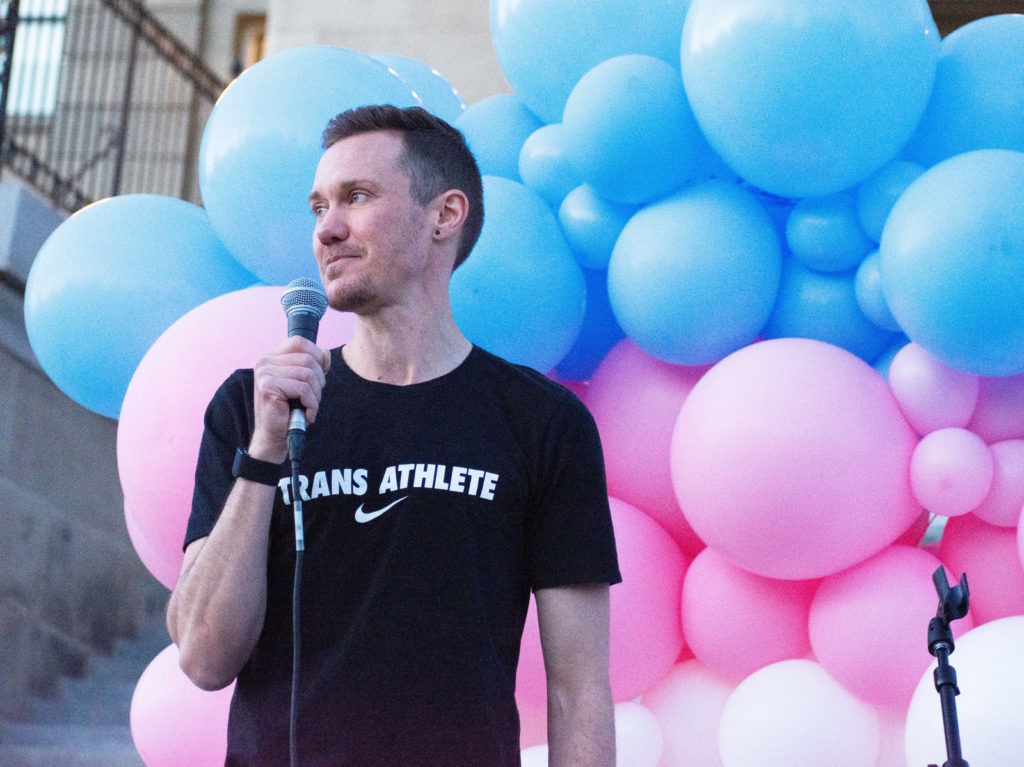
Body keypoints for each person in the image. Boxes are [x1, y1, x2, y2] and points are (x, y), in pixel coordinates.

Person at [166, 104, 621, 766]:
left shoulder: (541, 423)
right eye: (318, 205)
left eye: (356, 196)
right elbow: (205, 656)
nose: (327, 228)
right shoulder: (255, 407)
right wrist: (264, 455)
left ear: (445, 215)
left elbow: (578, 693)